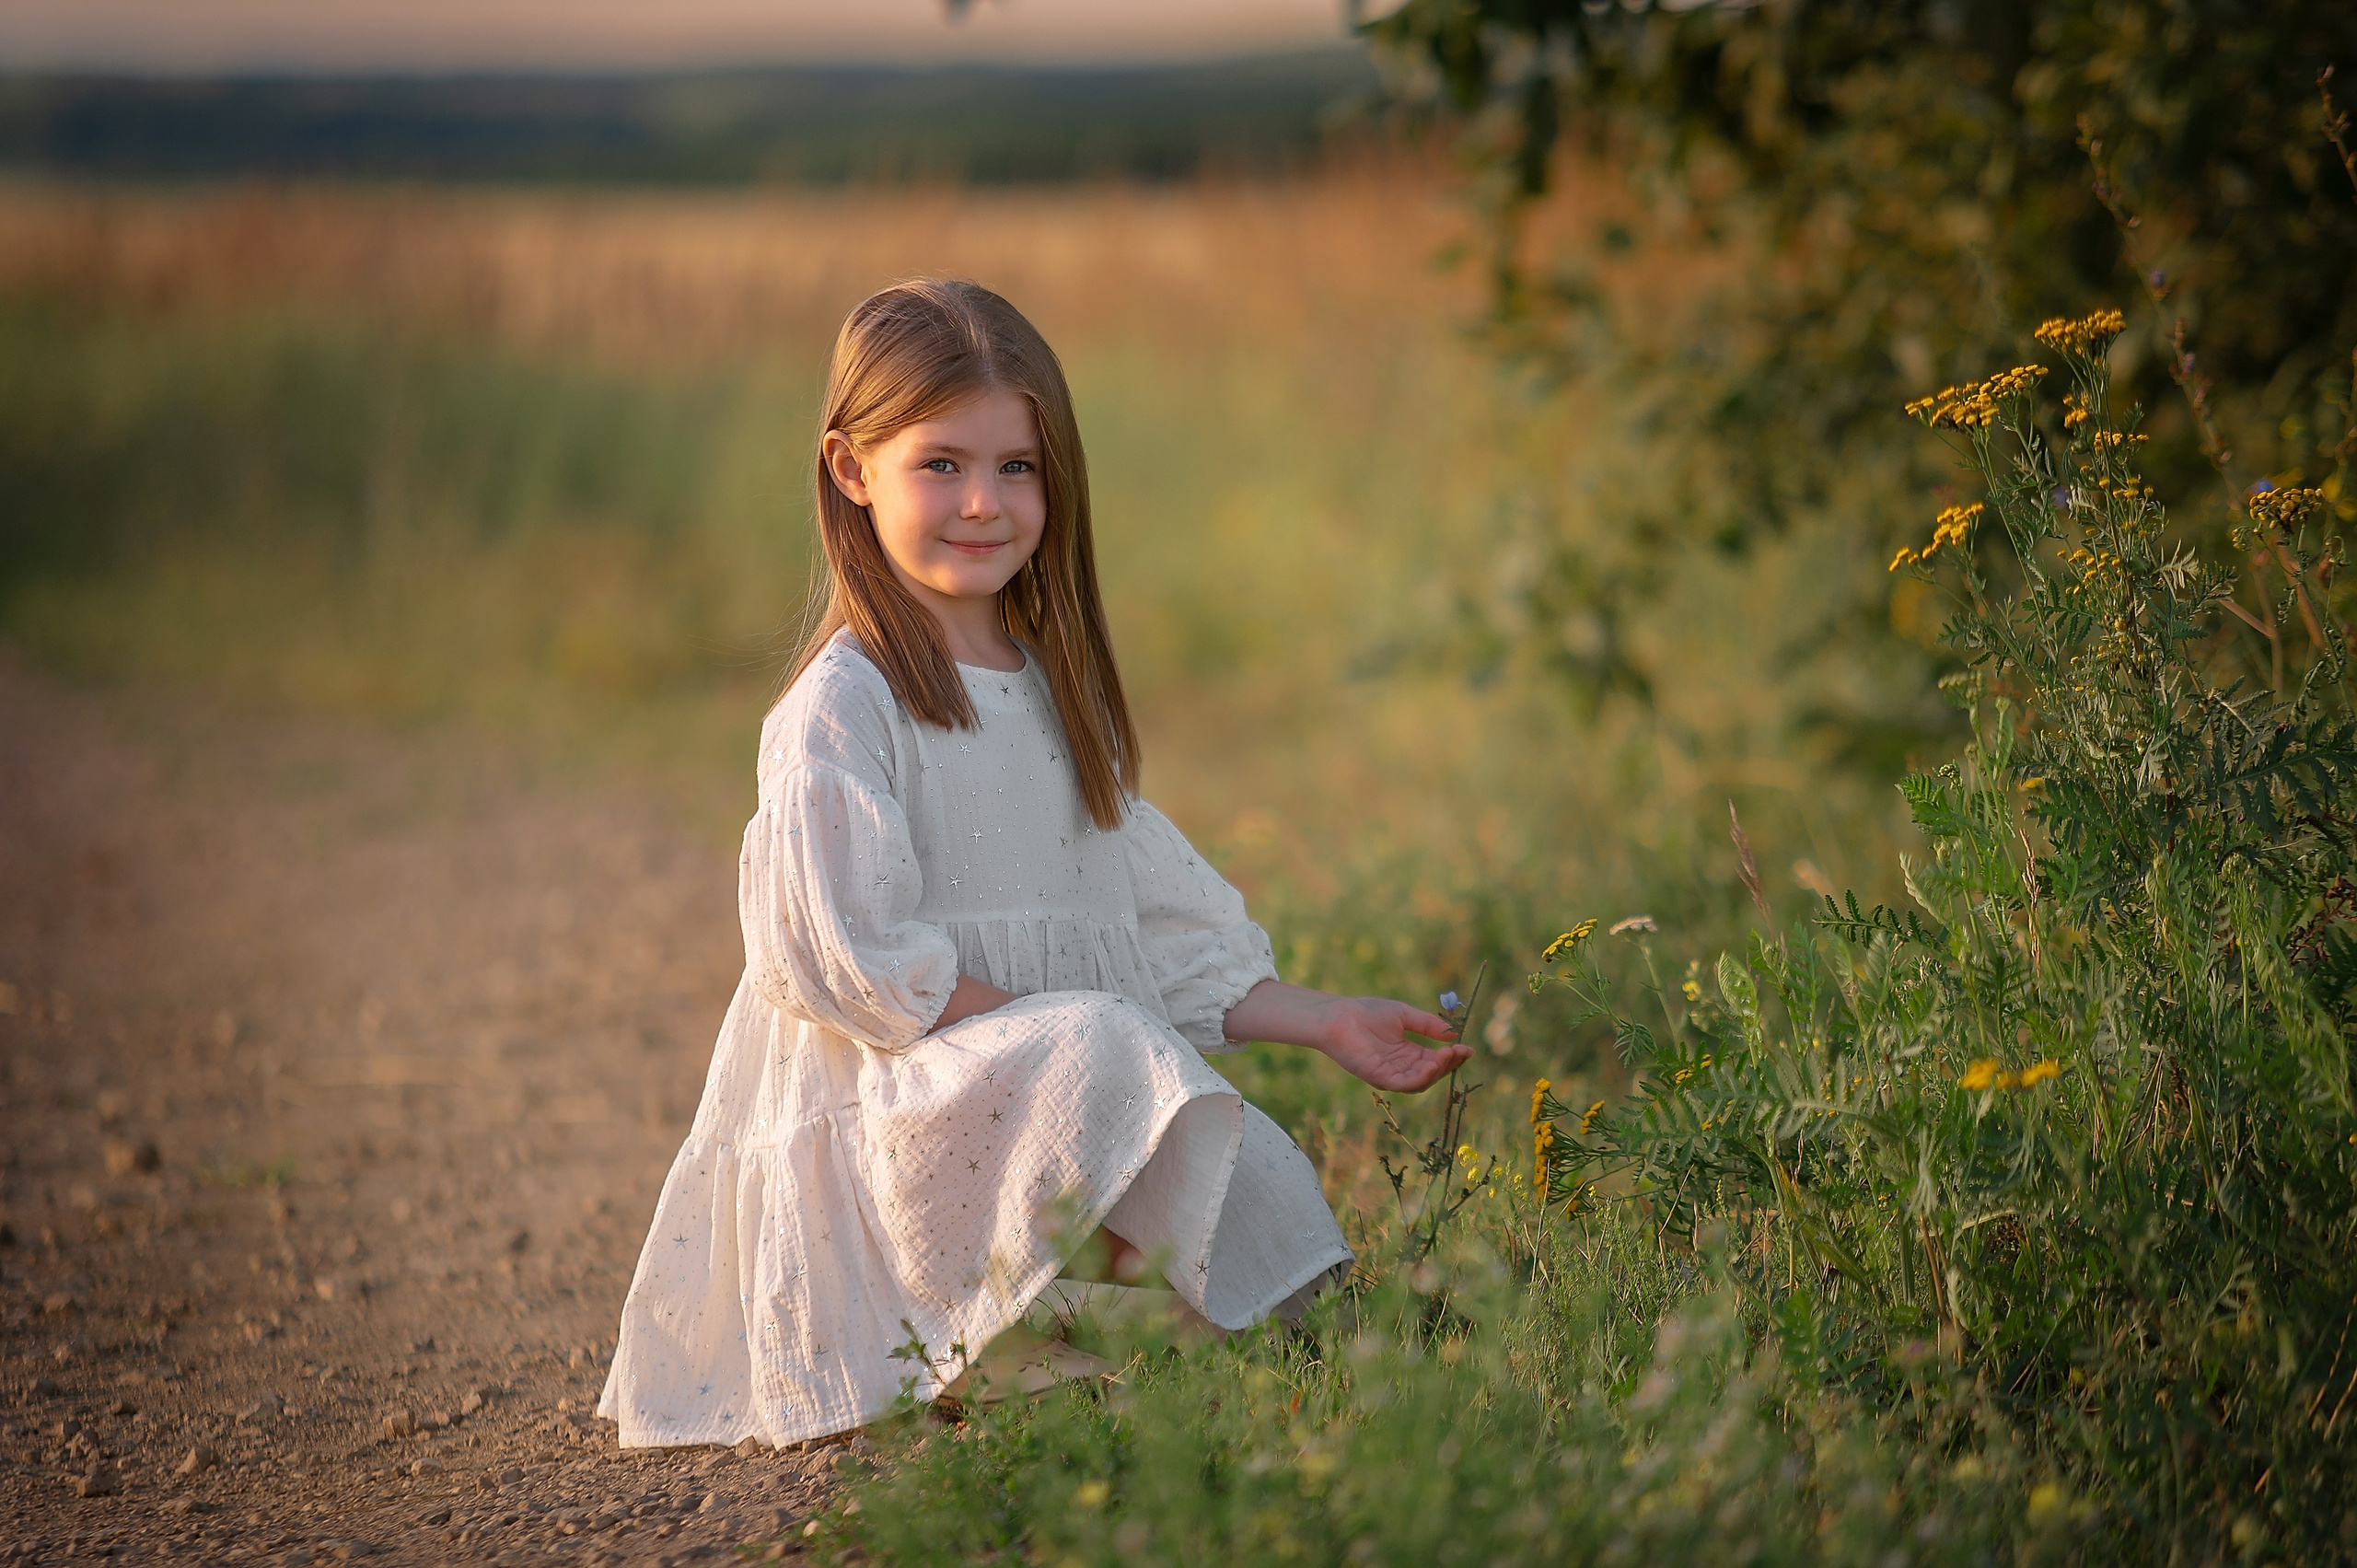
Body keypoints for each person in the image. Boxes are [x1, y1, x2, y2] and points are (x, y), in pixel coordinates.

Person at [597, 278, 1469, 1448]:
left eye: (1017, 467)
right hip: (905, 1125)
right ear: (851, 468)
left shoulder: (1056, 692)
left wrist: (1324, 1021)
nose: (982, 504)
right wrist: (1057, 1043)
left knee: (1267, 1187)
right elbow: (848, 961)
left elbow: (1150, 919)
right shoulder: (842, 710)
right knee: (1109, 1051)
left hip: (1037, 1094)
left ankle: (1103, 1329)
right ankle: (991, 1324)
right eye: (940, 464)